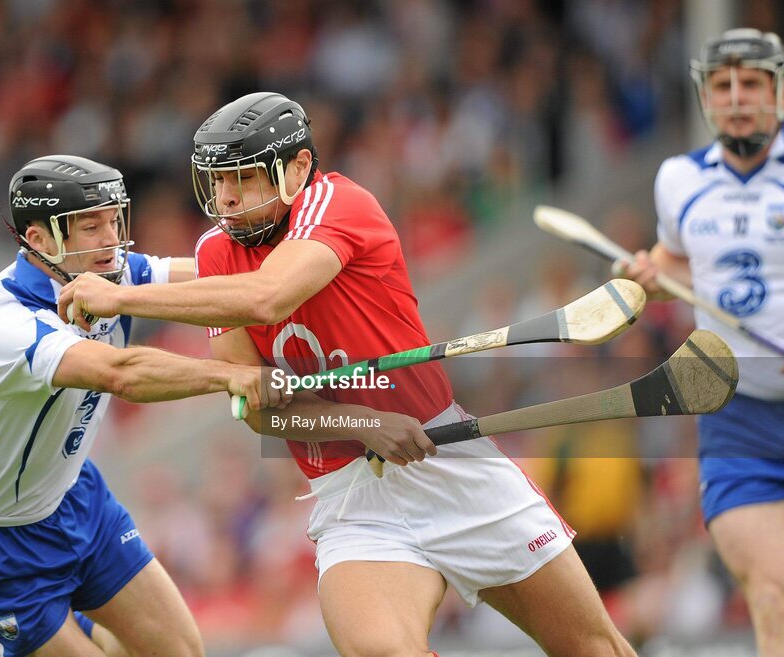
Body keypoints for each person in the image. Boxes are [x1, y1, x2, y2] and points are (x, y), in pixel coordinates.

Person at [58, 93, 635, 656]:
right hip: (351, 497)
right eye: (218, 182)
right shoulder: (216, 254)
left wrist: (124, 298)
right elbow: (260, 407)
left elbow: (266, 298)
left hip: (451, 464)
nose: (227, 199)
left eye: (244, 179)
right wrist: (360, 421)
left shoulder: (337, 203)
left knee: (591, 647)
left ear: (298, 168)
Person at [0, 154, 290, 657]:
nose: (111, 238)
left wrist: (289, 281)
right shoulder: (4, 323)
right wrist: (233, 376)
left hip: (77, 499)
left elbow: (208, 278)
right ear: (39, 241)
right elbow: (121, 373)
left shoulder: (110, 273)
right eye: (90, 226)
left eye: (114, 220)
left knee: (182, 650)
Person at [619, 29, 784, 657]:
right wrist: (652, 276)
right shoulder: (679, 181)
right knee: (774, 597)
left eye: (753, 84)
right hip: (742, 423)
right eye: (722, 85)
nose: (736, 99)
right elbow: (682, 264)